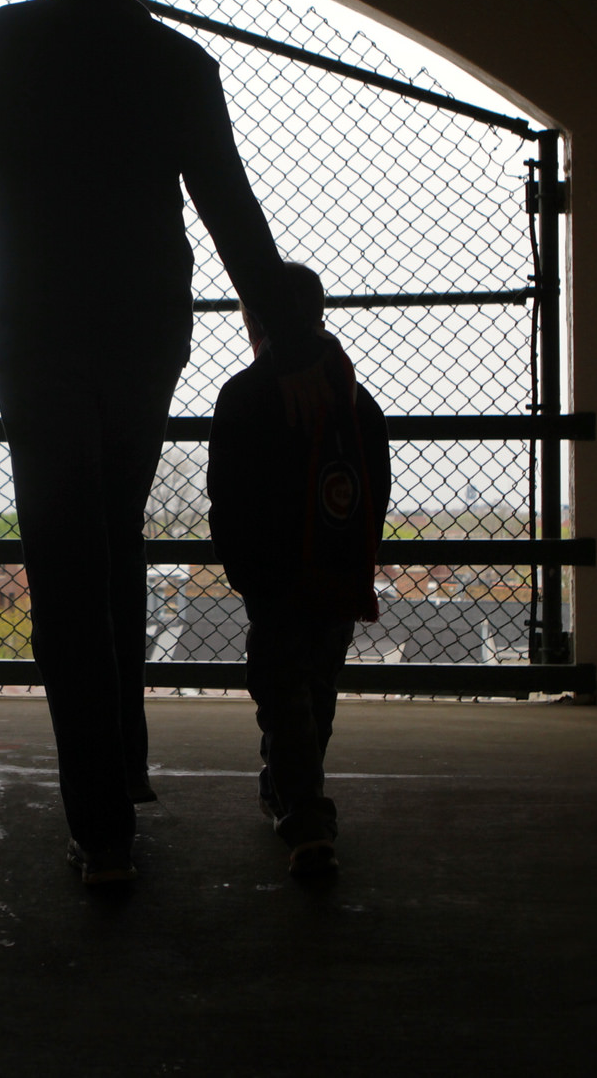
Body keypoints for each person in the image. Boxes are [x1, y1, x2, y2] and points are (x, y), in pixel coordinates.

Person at [0, 0, 328, 886]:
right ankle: (122, 773)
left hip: (39, 335)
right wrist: (295, 348)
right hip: (144, 337)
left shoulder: (6, 42)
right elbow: (231, 212)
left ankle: (101, 828)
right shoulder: (178, 64)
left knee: (63, 565)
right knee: (117, 539)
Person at [207, 262, 389, 877]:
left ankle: (306, 815)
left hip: (275, 581)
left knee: (282, 691)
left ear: (256, 321)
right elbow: (376, 489)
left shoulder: (245, 394)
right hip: (338, 575)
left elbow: (226, 496)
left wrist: (245, 570)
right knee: (316, 690)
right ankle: (288, 790)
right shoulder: (353, 398)